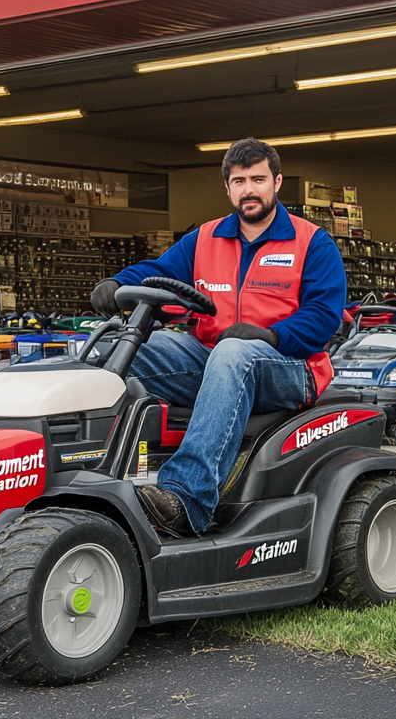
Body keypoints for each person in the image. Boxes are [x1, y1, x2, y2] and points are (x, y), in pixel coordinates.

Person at [90, 138, 345, 537]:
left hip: (291, 367)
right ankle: (85, 473)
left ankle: (185, 498)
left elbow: (324, 315)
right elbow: (159, 271)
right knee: (119, 347)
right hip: (212, 358)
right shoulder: (206, 239)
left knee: (232, 354)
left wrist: (272, 335)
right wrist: (118, 284)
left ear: (276, 182)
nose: (249, 189)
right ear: (227, 187)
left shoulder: (312, 242)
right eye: (239, 180)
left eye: (258, 179)